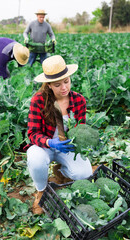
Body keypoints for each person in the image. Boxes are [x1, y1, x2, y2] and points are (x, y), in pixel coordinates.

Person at [23, 55, 93, 214]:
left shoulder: (79, 100)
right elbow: (32, 133)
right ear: (48, 85)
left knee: (85, 174)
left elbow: (80, 128)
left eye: (66, 81)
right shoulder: (39, 100)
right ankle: (41, 190)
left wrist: (88, 137)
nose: (64, 88)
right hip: (44, 146)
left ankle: (60, 170)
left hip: (67, 146)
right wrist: (49, 142)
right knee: (35, 159)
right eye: (57, 84)